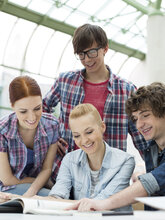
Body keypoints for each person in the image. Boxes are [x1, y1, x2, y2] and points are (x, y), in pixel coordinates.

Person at [43, 23, 147, 182]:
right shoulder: (65, 81)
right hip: (68, 173)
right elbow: (42, 108)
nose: (86, 60)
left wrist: (155, 175)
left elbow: (142, 140)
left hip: (108, 177)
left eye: (91, 52)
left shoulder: (127, 90)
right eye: (81, 54)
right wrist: (52, 136)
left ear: (105, 48)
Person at [0, 103, 135, 210]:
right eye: (77, 135)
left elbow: (100, 204)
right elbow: (56, 197)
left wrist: (48, 201)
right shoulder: (70, 160)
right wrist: (15, 198)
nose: (84, 140)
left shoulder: (125, 161)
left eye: (89, 132)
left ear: (102, 127)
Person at [67, 82, 165, 211]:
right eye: (135, 119)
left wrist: (101, 204)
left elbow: (151, 182)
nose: (139, 125)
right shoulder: (151, 148)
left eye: (145, 116)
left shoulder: (126, 160)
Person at [0, 76, 59, 197]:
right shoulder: (2, 130)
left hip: (36, 185)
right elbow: (7, 180)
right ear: (12, 106)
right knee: (50, 197)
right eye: (23, 111)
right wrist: (41, 183)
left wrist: (33, 190)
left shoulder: (52, 125)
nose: (32, 117)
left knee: (54, 197)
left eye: (37, 108)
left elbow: (47, 169)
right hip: (6, 188)